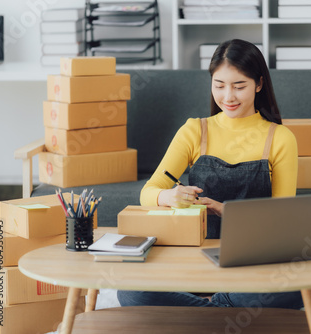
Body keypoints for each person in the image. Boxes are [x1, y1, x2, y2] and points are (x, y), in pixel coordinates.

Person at [117, 39, 301, 309]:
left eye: (239, 86)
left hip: (252, 263)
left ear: (259, 84)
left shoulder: (280, 138)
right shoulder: (194, 131)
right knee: (131, 292)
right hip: (194, 259)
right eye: (219, 85)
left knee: (294, 289)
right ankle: (222, 308)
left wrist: (227, 211)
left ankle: (201, 309)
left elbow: (282, 219)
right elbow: (148, 192)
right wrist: (169, 196)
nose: (228, 97)